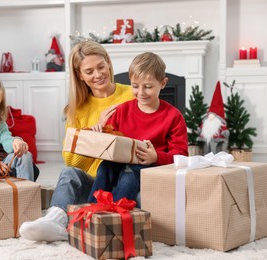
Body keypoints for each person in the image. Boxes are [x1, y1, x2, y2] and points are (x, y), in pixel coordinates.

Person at [19, 40, 135, 242]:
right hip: (93, 185)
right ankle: (55, 221)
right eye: (89, 71)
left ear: (108, 62)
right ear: (79, 75)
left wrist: (109, 134)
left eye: (100, 66)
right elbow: (71, 160)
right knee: (68, 174)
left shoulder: (131, 94)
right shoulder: (77, 109)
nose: (97, 75)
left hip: (124, 180)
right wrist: (93, 136)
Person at [87, 52, 189, 205]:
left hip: (150, 168)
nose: (141, 93)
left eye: (148, 87)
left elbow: (182, 156)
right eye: (135, 86)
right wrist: (99, 132)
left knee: (129, 176)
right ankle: (90, 211)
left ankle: (115, 215)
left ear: (163, 83)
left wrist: (156, 157)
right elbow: (109, 140)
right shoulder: (122, 111)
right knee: (104, 168)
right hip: (118, 163)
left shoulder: (174, 116)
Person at [197, 81, 230, 154]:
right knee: (206, 150)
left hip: (217, 140)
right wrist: (199, 130)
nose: (210, 117)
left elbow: (225, 130)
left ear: (217, 117)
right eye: (209, 115)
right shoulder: (206, 122)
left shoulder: (220, 124)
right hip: (206, 140)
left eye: (213, 115)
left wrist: (225, 132)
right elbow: (201, 127)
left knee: (216, 151)